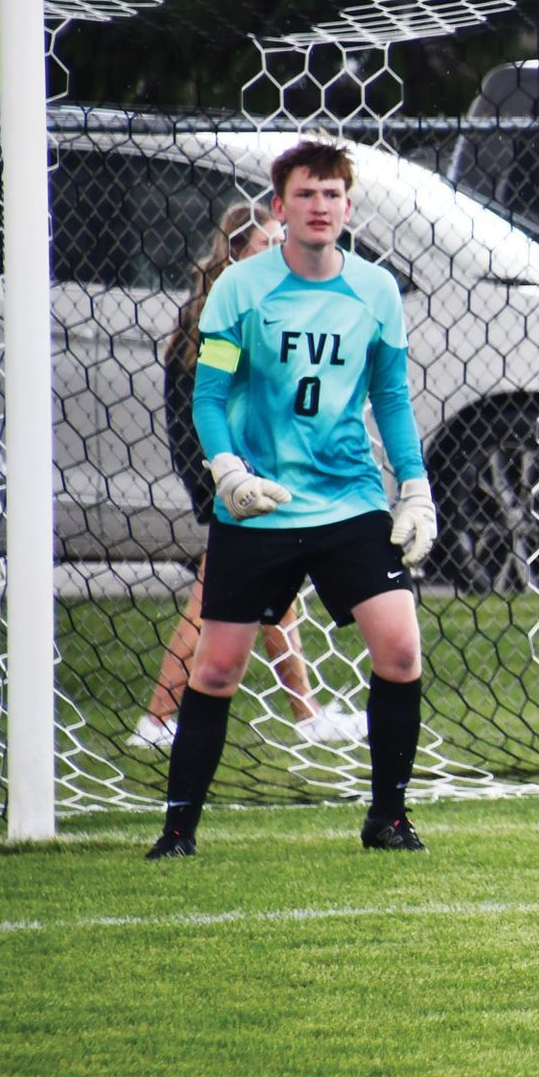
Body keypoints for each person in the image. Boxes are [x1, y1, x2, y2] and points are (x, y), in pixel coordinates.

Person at [145, 139, 439, 859]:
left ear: (347, 206)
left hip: (350, 502)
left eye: (332, 194)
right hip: (260, 506)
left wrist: (415, 487)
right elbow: (208, 397)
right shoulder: (239, 290)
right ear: (279, 208)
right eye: (305, 194)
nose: (319, 206)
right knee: (217, 669)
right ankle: (178, 831)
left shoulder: (375, 291)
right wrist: (229, 473)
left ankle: (388, 819)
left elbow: (392, 399)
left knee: (401, 650)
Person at [130, 202, 362, 751]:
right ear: (235, 251)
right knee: (215, 588)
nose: (279, 253)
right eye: (267, 244)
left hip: (231, 461)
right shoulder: (229, 312)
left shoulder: (229, 306)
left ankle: (306, 715)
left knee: (275, 591)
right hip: (227, 464)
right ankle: (158, 716)